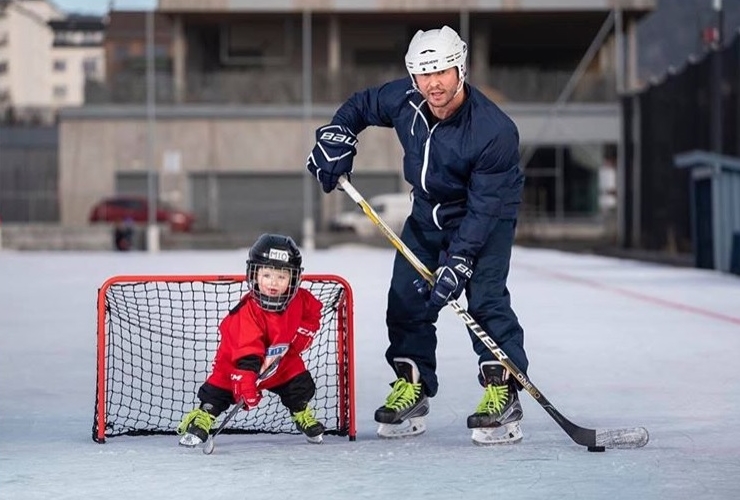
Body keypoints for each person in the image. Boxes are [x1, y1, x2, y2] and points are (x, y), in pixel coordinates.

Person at [306, 26, 527, 445]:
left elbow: (483, 209)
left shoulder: (494, 131)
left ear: (460, 69)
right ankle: (413, 385)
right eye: (424, 74)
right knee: (406, 299)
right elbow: (360, 105)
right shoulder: (405, 101)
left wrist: (459, 260)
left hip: (486, 218)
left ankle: (503, 390)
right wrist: (338, 135)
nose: (434, 83)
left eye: (442, 71)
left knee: (485, 300)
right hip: (427, 216)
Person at [177, 233, 326, 446]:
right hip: (236, 366)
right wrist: (246, 385)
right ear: (254, 275)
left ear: (293, 279)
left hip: (278, 362)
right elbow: (247, 354)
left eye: (282, 277)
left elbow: (313, 313)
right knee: (217, 393)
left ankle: (301, 412)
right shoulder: (246, 313)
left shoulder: (300, 300)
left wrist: (301, 336)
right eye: (267, 275)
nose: (273, 283)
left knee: (299, 382)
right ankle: (202, 418)